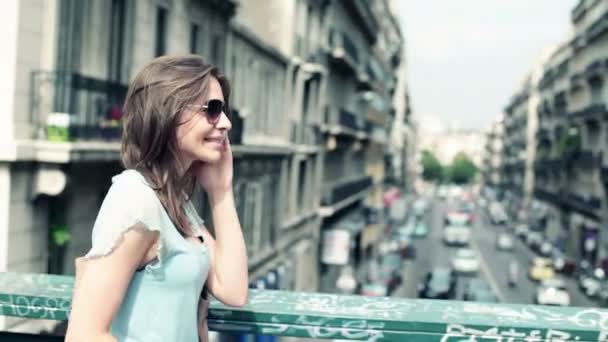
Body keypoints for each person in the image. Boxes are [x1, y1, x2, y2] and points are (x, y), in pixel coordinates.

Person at [66, 55, 249, 342]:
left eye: (224, 110)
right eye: (212, 109)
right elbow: (84, 334)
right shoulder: (134, 197)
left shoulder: (174, 201)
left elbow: (233, 289)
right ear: (168, 113)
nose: (225, 123)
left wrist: (221, 192)